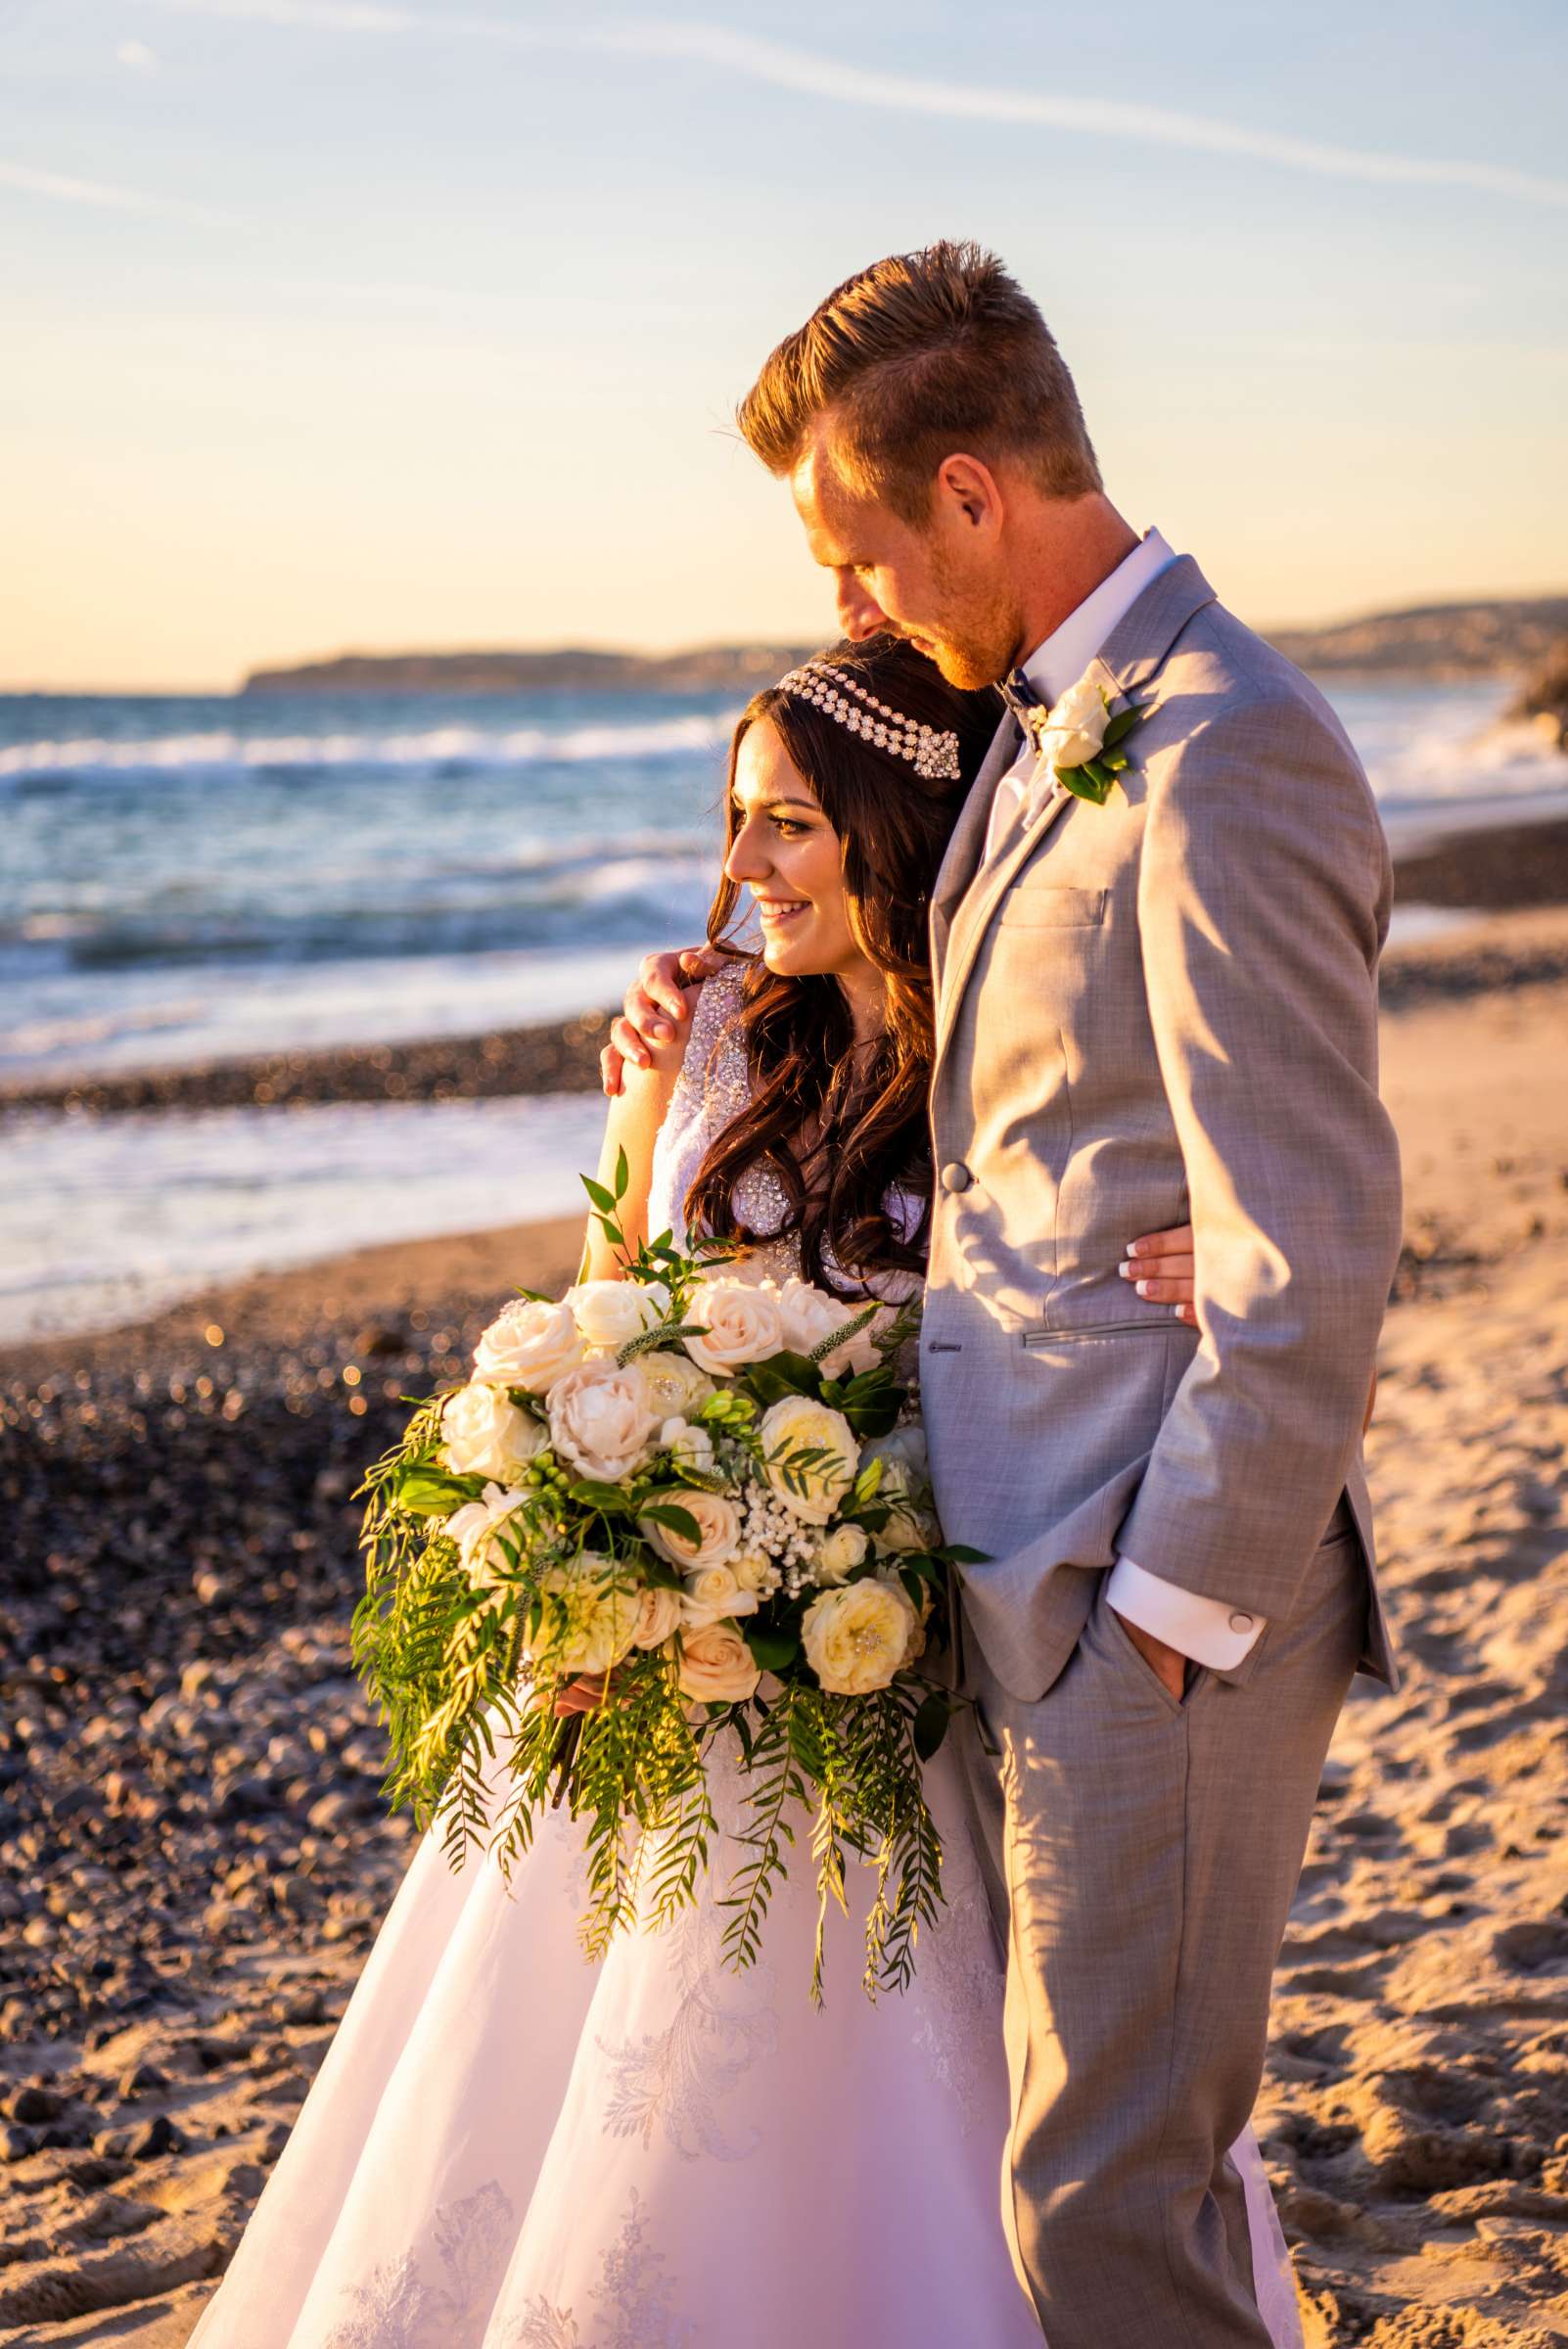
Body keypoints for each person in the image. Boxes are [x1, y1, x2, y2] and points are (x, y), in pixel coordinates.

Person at [184, 632, 1305, 2349]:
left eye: (787, 824)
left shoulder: (1004, 1063)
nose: (744, 866)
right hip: (658, 1656)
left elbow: (1133, 1241)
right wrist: (586, 1512)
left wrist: (1206, 1256)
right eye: (734, 821)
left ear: (884, 820)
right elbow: (607, 1302)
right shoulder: (696, 1025)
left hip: (893, 1660)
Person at [613, 243, 1402, 2347]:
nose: (850, 613)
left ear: (974, 497)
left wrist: (1163, 1613)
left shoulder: (1226, 748)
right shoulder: (1045, 729)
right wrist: (699, 1018)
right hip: (1029, 1568)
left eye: (860, 559)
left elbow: (1311, 1240)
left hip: (1143, 1595)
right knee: (1082, 2187)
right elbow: (987, 1082)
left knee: (1103, 2213)